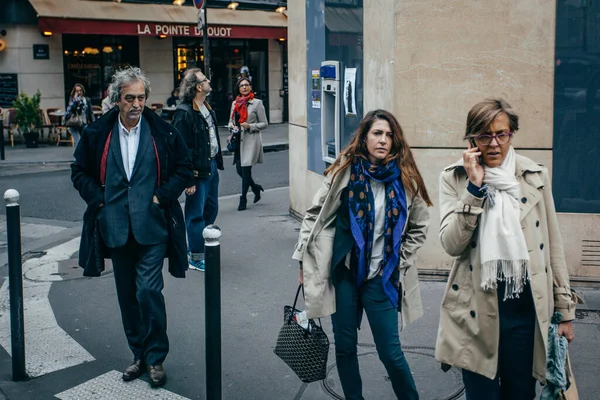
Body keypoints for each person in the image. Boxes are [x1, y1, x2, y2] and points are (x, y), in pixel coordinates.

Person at [435, 98, 579, 399]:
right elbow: (451, 244)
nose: (494, 143)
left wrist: (565, 310)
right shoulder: (455, 178)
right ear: (472, 139)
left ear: (511, 134)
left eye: (502, 134)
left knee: (520, 394)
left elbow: (552, 246)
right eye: (485, 135)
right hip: (475, 311)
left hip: (524, 312)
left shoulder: (535, 176)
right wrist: (474, 190)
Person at [292, 109, 432, 400]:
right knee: (344, 347)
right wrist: (304, 262)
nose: (383, 140)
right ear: (365, 137)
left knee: (391, 353)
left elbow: (419, 227)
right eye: (377, 133)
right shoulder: (344, 172)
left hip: (380, 279)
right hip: (344, 273)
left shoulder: (407, 179)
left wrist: (397, 262)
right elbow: (314, 216)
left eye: (389, 135)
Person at [71, 67, 193, 387]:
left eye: (141, 97)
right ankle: (138, 354)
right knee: (127, 296)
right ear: (116, 100)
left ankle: (155, 358)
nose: (137, 104)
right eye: (130, 98)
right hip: (115, 228)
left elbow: (184, 168)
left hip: (152, 228)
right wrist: (98, 200)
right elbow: (79, 172)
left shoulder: (162, 132)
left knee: (148, 291)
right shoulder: (98, 134)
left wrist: (161, 197)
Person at [172, 69, 224, 272]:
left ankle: (198, 243)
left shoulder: (206, 107)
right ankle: (195, 255)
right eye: (205, 79)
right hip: (197, 171)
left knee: (211, 209)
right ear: (198, 86)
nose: (209, 80)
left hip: (210, 165)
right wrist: (188, 178)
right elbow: (181, 148)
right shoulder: (184, 112)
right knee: (195, 214)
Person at [228, 78, 267, 211]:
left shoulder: (257, 103)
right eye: (241, 85)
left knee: (245, 170)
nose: (244, 87)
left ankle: (243, 198)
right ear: (238, 88)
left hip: (250, 140)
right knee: (239, 170)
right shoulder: (235, 104)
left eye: (246, 85)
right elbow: (231, 121)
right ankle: (256, 188)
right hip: (238, 140)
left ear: (250, 87)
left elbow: (264, 123)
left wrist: (250, 125)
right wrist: (231, 127)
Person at [64, 83, 94, 147]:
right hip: (74, 123)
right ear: (74, 92)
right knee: (78, 142)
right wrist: (76, 100)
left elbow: (90, 112)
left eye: (80, 90)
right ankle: (80, 156)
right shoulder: (72, 100)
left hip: (83, 123)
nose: (79, 92)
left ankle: (83, 156)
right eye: (77, 91)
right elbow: (70, 111)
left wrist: (93, 123)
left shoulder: (87, 100)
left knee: (85, 142)